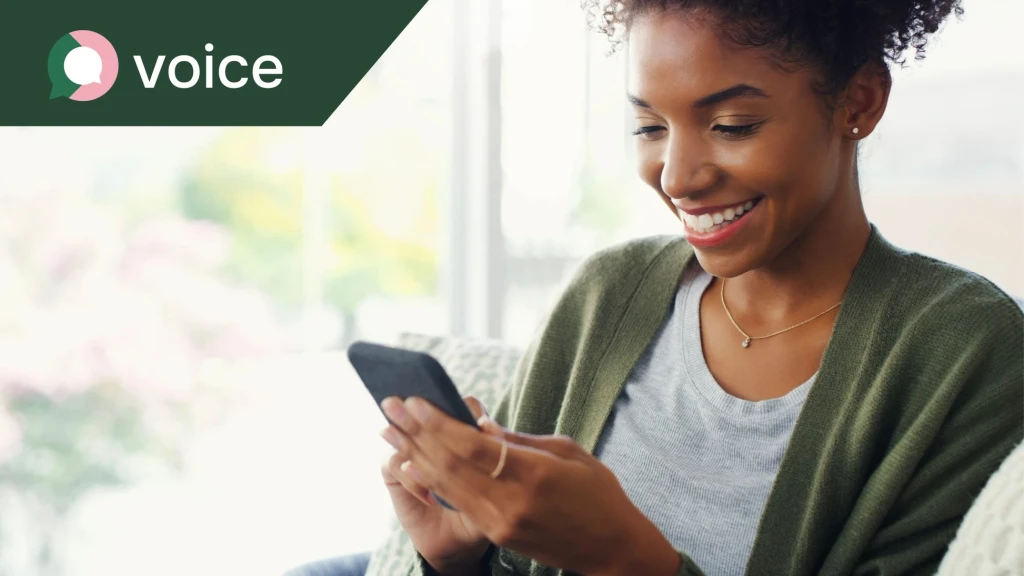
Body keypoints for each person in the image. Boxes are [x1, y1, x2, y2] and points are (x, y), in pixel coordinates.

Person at [368, 1, 1024, 575]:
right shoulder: (604, 296)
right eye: (650, 127)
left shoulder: (966, 350)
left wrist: (622, 556)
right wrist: (456, 560)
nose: (677, 177)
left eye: (731, 125)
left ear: (859, 102)